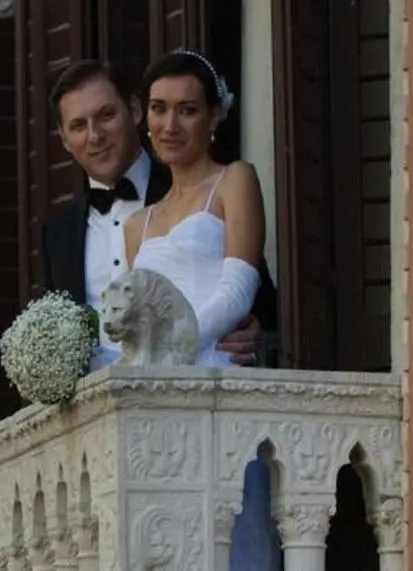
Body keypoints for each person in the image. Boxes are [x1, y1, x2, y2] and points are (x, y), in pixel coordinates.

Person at [71, 51, 288, 571]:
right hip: (153, 416)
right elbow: (111, 328)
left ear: (213, 115)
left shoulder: (236, 181)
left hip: (212, 395)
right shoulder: (136, 225)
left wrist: (178, 346)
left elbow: (238, 283)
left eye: (185, 109)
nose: (169, 125)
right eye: (157, 109)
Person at [36, 59, 264, 368]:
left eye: (106, 115)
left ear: (134, 111)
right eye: (78, 125)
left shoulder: (227, 182)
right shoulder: (58, 236)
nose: (95, 136)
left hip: (206, 373)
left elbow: (254, 293)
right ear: (64, 139)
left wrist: (256, 329)